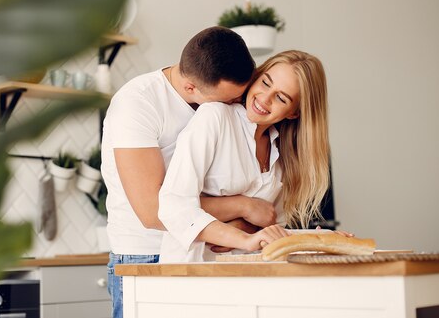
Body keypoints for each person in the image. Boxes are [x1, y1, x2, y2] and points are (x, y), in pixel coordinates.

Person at [101, 26, 275, 318]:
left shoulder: (213, 101)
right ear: (192, 87)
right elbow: (155, 211)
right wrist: (244, 208)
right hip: (146, 256)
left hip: (202, 248)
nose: (236, 105)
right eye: (228, 99)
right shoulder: (137, 104)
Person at [158, 50, 331, 262]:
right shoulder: (215, 118)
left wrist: (319, 240)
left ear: (294, 112)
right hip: (193, 274)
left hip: (248, 278)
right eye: (266, 83)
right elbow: (173, 206)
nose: (264, 99)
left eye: (281, 98)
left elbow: (271, 229)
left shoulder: (285, 154)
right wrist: (242, 237)